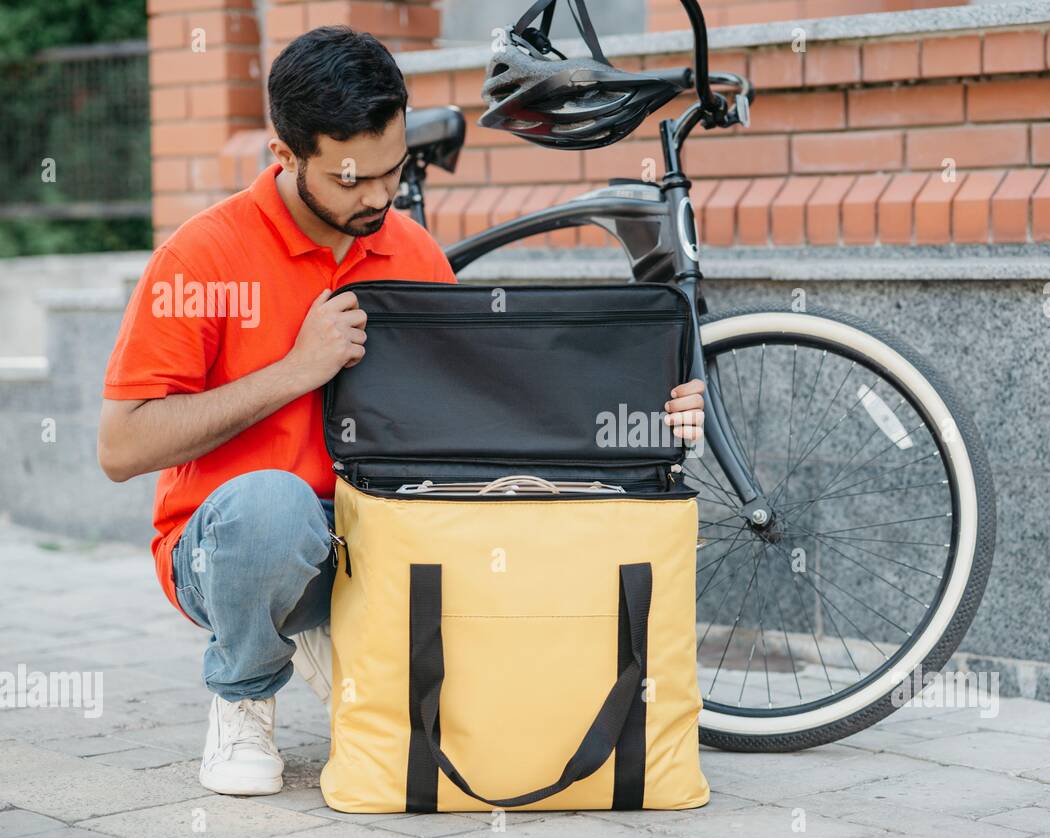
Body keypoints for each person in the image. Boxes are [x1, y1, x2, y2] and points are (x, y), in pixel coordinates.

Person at [97, 26, 706, 797]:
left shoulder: (410, 250)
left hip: (378, 536)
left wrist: (650, 416)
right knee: (274, 512)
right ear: (285, 157)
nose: (379, 197)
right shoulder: (201, 258)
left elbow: (476, 419)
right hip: (234, 548)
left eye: (391, 171)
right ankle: (243, 697)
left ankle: (348, 645)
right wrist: (294, 372)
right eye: (353, 180)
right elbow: (120, 447)